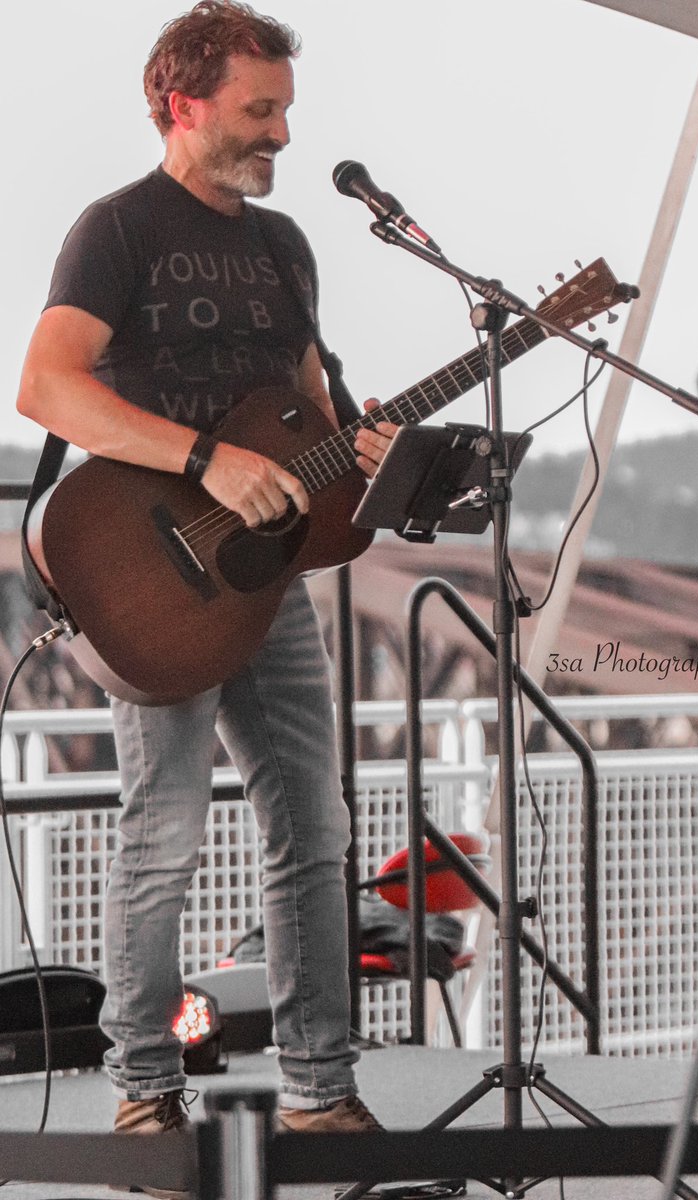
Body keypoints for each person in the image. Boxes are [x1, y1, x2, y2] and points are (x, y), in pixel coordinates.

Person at [16, 0, 395, 1187]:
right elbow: (46, 388)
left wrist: (356, 447)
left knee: (315, 828)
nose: (280, 133)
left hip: (264, 588)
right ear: (181, 101)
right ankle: (142, 1094)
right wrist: (200, 461)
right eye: (258, 110)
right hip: (149, 573)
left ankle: (321, 1096)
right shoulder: (116, 229)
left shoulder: (286, 248)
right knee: (165, 836)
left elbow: (300, 418)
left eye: (284, 111)